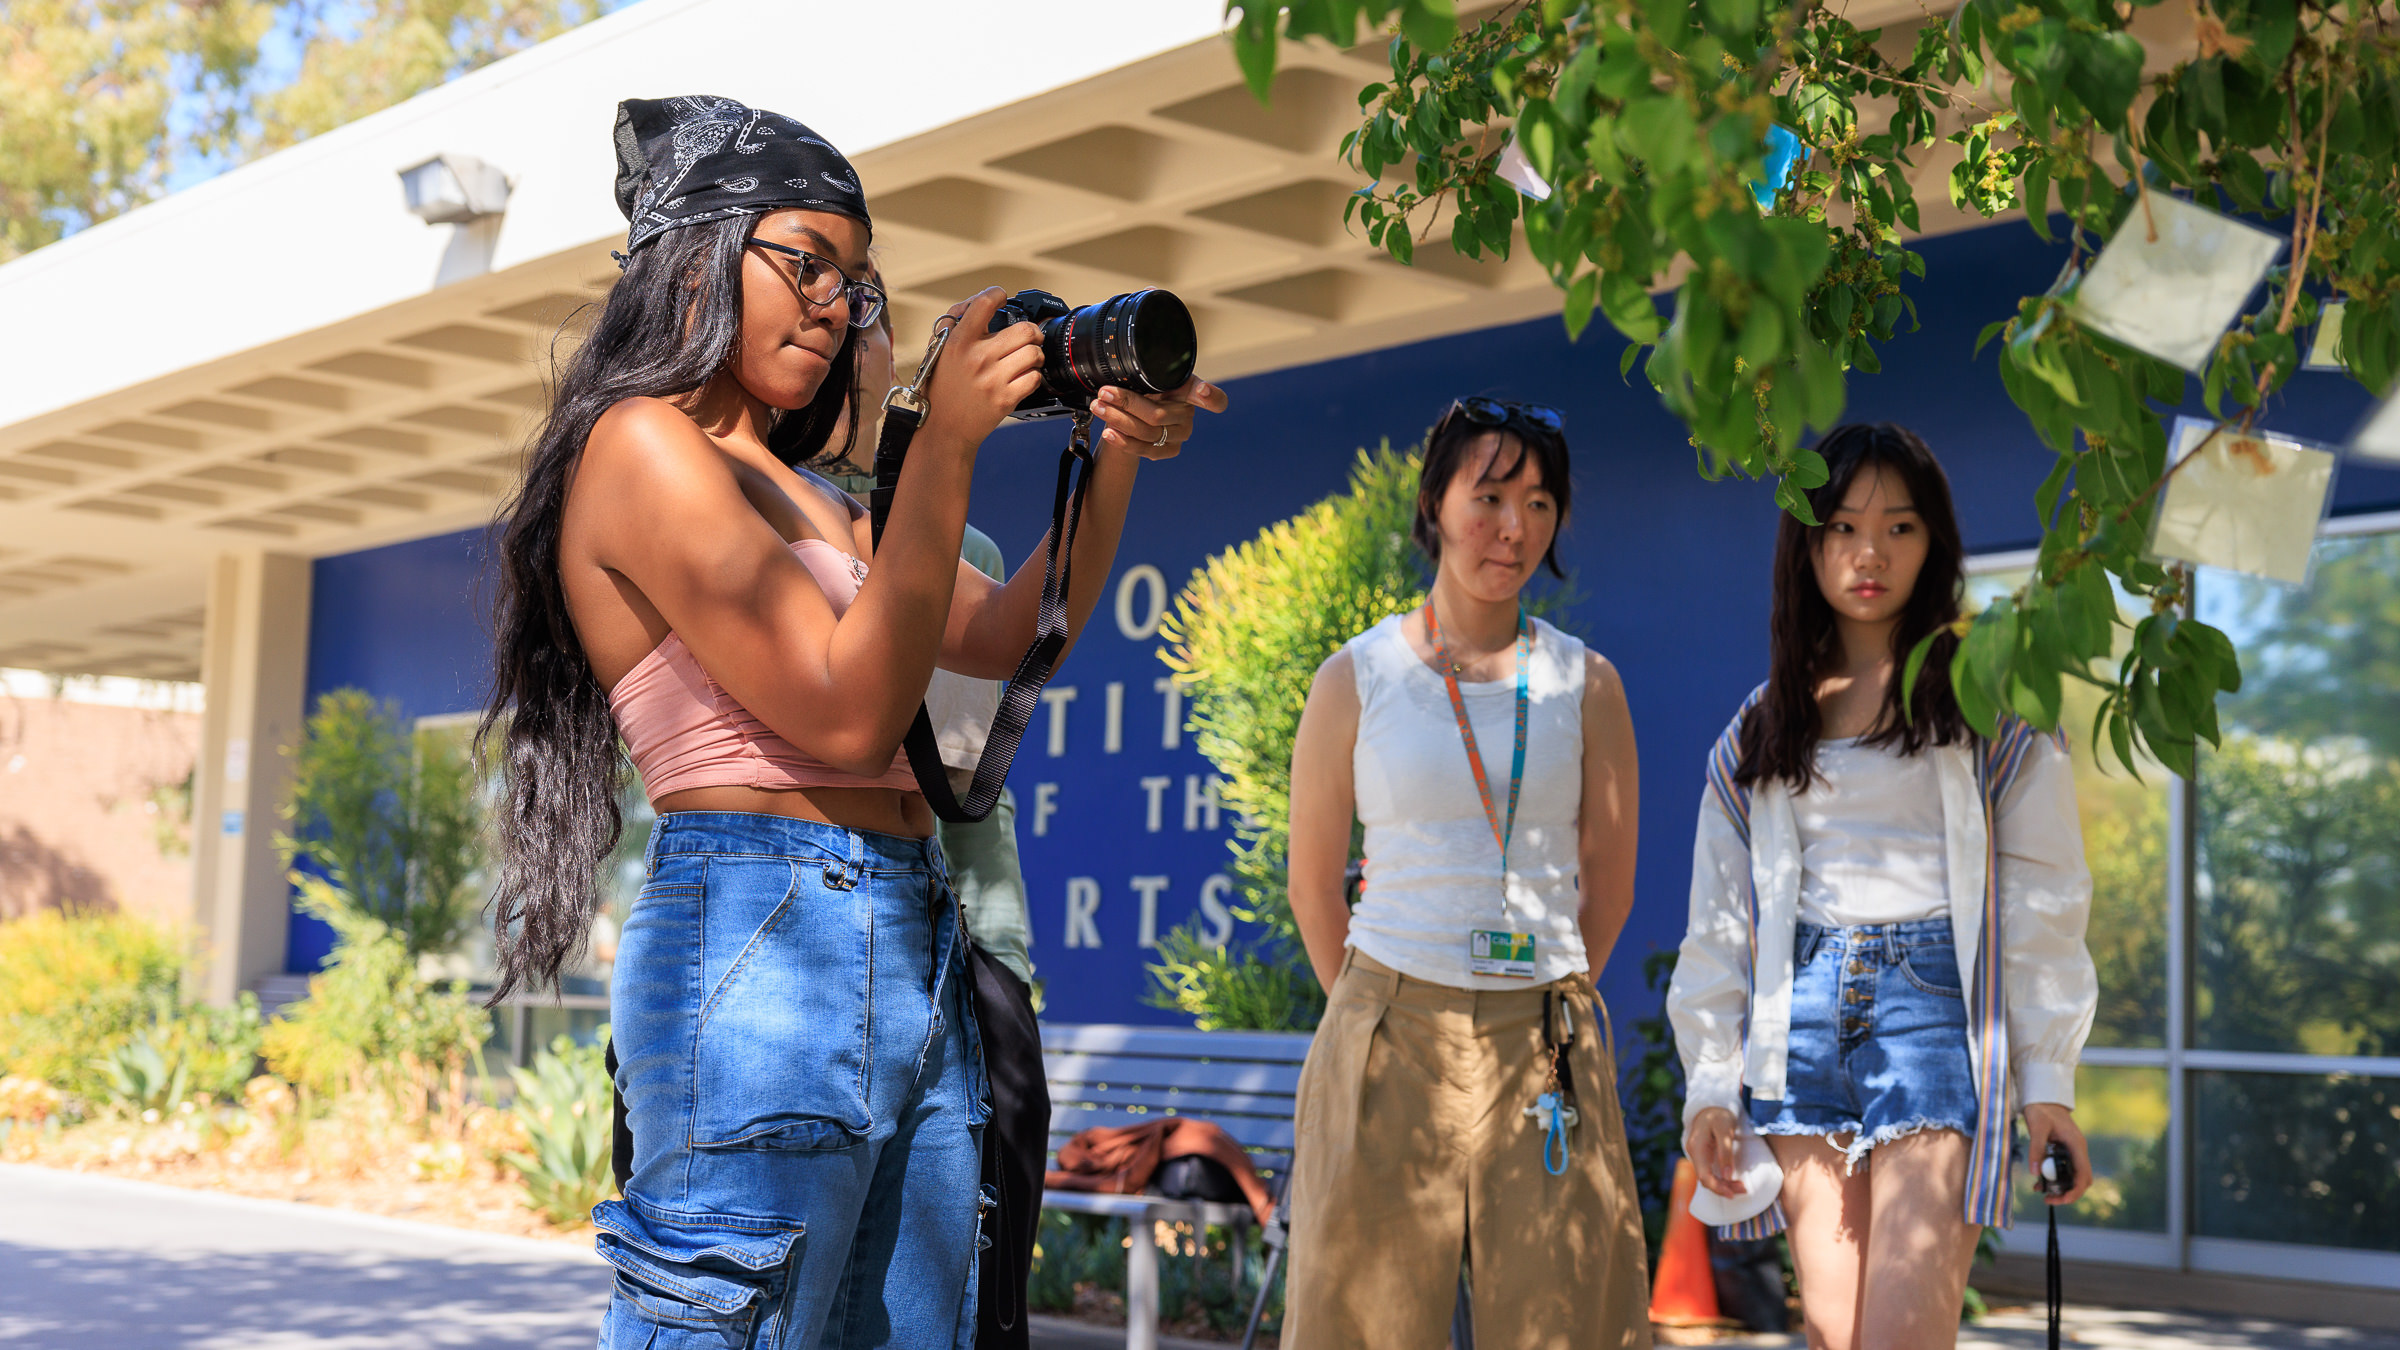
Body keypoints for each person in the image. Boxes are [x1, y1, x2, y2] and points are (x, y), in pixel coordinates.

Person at [477, 95, 1224, 1349]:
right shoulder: (640, 446)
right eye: (807, 262)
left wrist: (1113, 452)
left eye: (857, 280)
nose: (836, 304)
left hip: (908, 923)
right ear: (700, 254)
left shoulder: (815, 493)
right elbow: (844, 710)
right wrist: (942, 451)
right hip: (764, 932)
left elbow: (997, 641)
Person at [1668, 423, 2097, 1350]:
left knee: (1903, 1334)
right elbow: (1720, 921)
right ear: (1808, 546)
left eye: (1900, 528)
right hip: (1801, 1026)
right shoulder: (1762, 725)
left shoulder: (1989, 698)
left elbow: (2044, 895)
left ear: (1934, 543)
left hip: (1934, 1016)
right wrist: (1710, 1086)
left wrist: (2047, 1082)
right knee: (1835, 1333)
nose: (1871, 553)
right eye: (1844, 529)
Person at [1281, 397, 1653, 1347]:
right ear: (1436, 504)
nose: (1514, 526)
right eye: (1489, 495)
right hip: (1389, 1020)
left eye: (1539, 501)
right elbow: (1314, 881)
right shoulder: (1355, 677)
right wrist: (1372, 1009)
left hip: (1545, 1033)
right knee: (1360, 1324)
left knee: (1565, 1320)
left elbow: (1607, 883)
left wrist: (1532, 993)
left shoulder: (1587, 683)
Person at [808, 273, 1046, 1350]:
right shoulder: (759, 506)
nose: (860, 339)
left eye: (877, 318)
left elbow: (950, 754)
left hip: (969, 950)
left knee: (966, 1306)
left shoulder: (971, 556)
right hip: (802, 941)